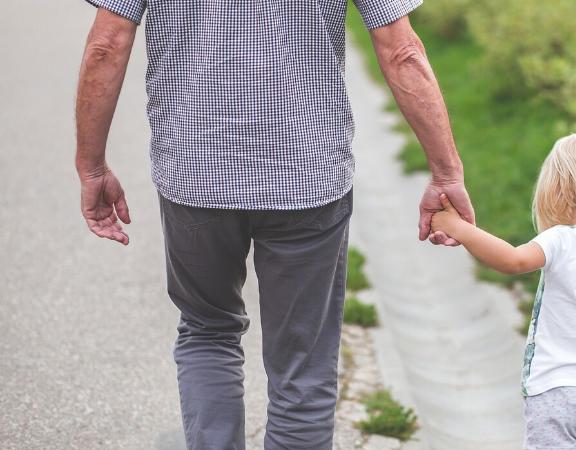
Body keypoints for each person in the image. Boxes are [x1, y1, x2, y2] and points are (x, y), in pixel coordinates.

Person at [74, 1, 474, 448]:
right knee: (303, 366)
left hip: (196, 173)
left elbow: (106, 46)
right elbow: (402, 51)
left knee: (208, 332)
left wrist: (92, 167)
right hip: (307, 176)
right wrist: (445, 172)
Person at [431, 131, 576, 449]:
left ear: (558, 191)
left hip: (555, 392)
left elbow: (513, 261)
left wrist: (459, 228)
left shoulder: (561, 239)